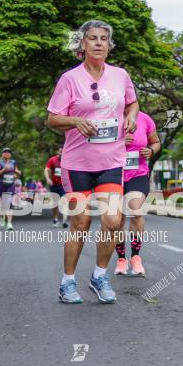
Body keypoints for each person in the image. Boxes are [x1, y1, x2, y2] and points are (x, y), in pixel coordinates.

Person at [47, 19, 139, 304]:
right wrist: (75, 120)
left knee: (112, 221)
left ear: (109, 46)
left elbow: (132, 102)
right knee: (81, 222)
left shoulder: (120, 76)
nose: (99, 43)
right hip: (77, 165)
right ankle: (67, 283)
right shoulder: (70, 79)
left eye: (103, 39)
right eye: (92, 39)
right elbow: (51, 118)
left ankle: (100, 276)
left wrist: (131, 115)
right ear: (82, 45)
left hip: (111, 161)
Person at [115, 111, 161, 277]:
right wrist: (118, 142)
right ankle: (121, 259)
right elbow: (92, 145)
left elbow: (156, 142)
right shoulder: (108, 115)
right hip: (112, 174)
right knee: (117, 218)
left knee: (136, 211)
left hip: (138, 173)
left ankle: (135, 256)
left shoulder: (145, 118)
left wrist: (151, 150)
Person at [0, 147, 20, 230]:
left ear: (10, 154)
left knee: (9, 203)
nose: (7, 153)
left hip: (11, 184)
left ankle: (9, 223)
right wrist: (4, 169)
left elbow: (18, 172)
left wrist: (16, 173)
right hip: (2, 184)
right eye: (5, 152)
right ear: (2, 154)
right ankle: (2, 216)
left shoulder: (13, 162)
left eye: (8, 152)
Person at [44, 145, 68, 227]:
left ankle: (64, 221)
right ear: (58, 152)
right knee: (56, 204)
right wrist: (48, 179)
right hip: (54, 185)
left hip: (64, 185)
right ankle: (55, 219)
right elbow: (46, 170)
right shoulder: (52, 160)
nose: (62, 153)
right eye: (60, 151)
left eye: (63, 151)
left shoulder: (68, 160)